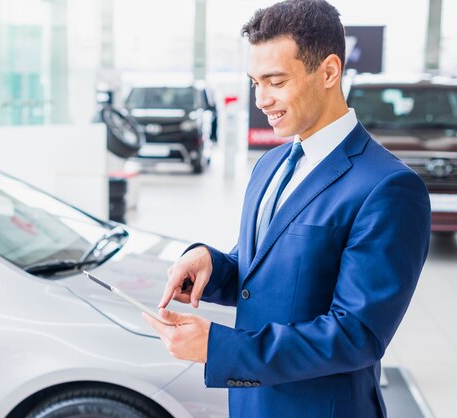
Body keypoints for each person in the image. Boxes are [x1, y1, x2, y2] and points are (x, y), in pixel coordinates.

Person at [141, 0, 431, 417]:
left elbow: (357, 334)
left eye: (276, 81)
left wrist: (220, 347)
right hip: (251, 403)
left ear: (329, 72)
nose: (261, 99)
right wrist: (212, 265)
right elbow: (260, 267)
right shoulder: (271, 164)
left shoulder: (388, 187)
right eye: (255, 82)